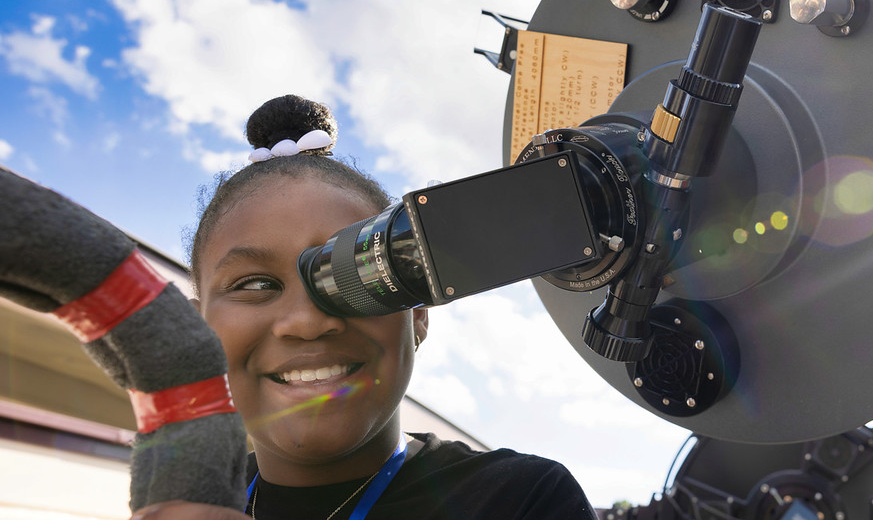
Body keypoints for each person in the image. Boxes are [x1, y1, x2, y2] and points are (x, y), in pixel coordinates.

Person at [132, 95, 596, 520]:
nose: (308, 321)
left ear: (417, 314)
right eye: (255, 283)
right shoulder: (188, 504)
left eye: (347, 274)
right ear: (195, 335)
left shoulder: (521, 501)